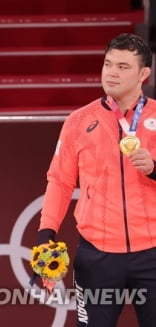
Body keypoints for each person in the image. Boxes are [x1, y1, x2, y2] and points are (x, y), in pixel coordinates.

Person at [36, 33, 156, 326]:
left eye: (123, 66)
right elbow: (60, 182)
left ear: (143, 74)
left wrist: (155, 168)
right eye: (108, 64)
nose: (112, 73)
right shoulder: (78, 121)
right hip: (97, 257)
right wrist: (45, 236)